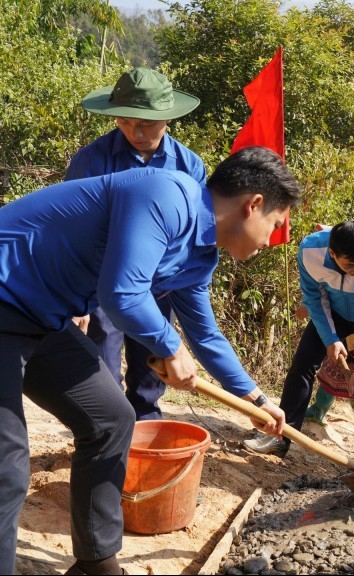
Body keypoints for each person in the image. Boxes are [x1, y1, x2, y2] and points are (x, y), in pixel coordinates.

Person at [0, 145, 300, 575]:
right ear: (253, 205)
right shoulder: (166, 194)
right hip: (4, 293)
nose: (272, 238)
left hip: (41, 318)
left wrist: (256, 399)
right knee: (7, 466)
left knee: (111, 419)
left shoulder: (200, 256)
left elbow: (206, 335)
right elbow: (121, 295)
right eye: (275, 223)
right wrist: (169, 346)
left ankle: (96, 564)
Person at [66, 66, 206, 421]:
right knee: (101, 364)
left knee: (150, 369)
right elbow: (71, 227)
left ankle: (144, 425)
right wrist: (75, 299)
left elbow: (192, 237)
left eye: (145, 123)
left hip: (158, 286)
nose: (135, 132)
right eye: (126, 122)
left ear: (168, 118)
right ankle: (105, 429)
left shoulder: (188, 166)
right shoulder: (92, 160)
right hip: (102, 285)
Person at [244, 221, 354, 468]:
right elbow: (314, 299)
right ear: (333, 253)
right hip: (332, 313)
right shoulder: (309, 252)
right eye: (351, 265)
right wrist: (331, 339)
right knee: (302, 365)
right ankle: (282, 439)